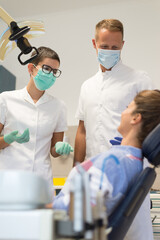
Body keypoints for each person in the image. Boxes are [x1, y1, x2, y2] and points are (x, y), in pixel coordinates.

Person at [53, 90, 160, 240]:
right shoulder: (136, 162)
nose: (123, 112)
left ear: (136, 117)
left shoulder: (114, 162)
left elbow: (71, 216)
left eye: (128, 107)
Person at [74, 19, 153, 163]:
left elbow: (153, 125)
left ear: (122, 45)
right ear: (94, 44)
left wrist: (132, 144)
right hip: (93, 169)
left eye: (115, 47)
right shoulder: (87, 86)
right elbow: (82, 131)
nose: (109, 51)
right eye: (104, 46)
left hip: (128, 165)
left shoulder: (139, 80)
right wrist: (76, 168)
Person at [0, 46, 73, 201]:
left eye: (55, 71)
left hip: (41, 184)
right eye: (46, 68)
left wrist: (60, 148)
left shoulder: (58, 106)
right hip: (9, 182)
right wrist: (8, 139)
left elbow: (54, 151)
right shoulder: (6, 99)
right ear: (31, 68)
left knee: (40, 224)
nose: (51, 74)